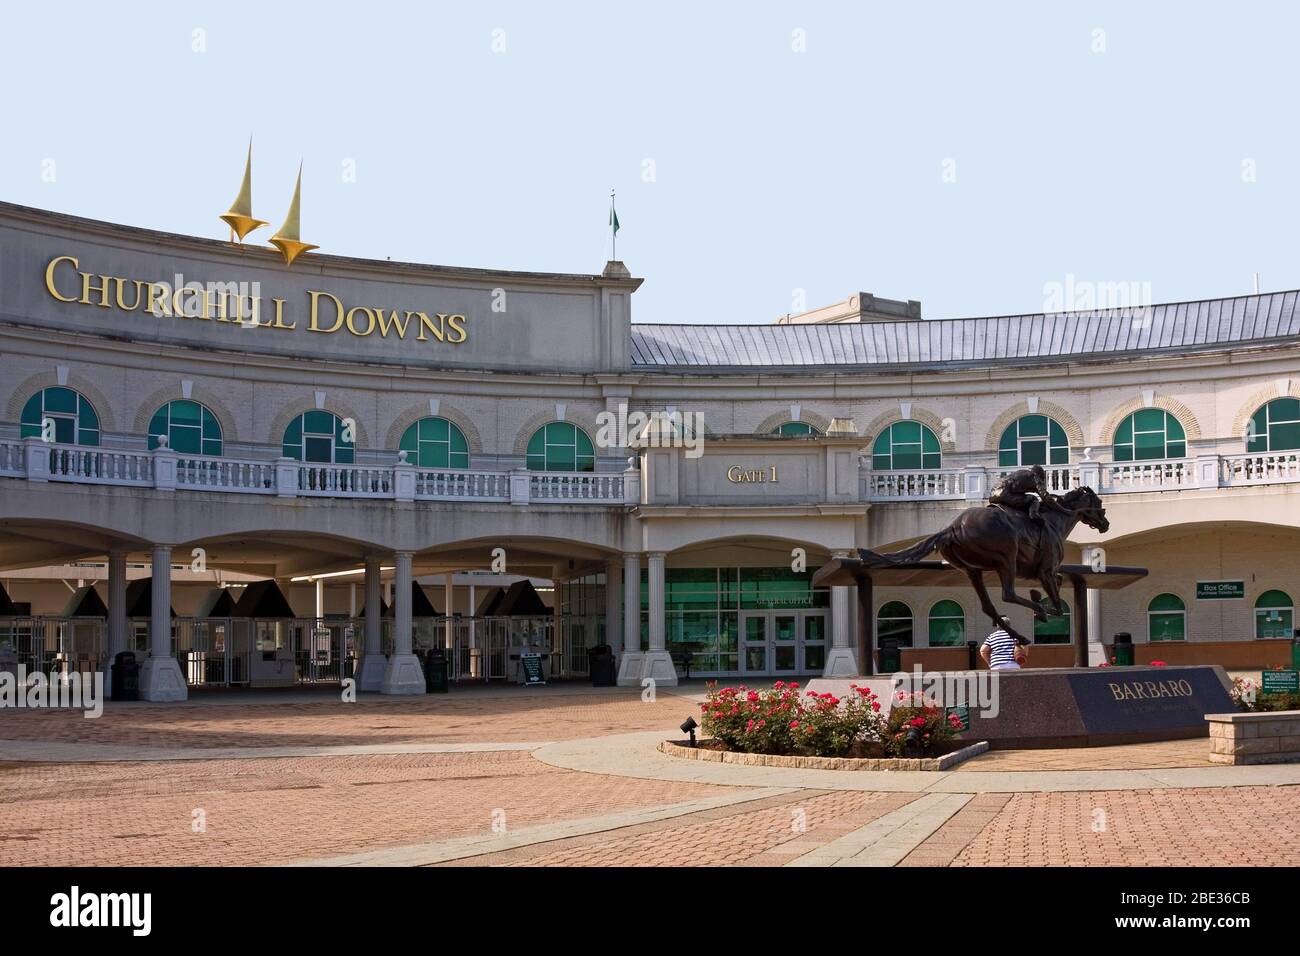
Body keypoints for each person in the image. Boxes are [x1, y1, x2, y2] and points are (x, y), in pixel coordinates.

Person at [987, 464, 1067, 522]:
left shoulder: (1020, 473)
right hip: (1005, 494)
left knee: (1023, 497)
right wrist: (1064, 510)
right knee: (1034, 499)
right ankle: (1034, 516)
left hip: (993, 495)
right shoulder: (1035, 477)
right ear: (1039, 474)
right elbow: (1046, 498)